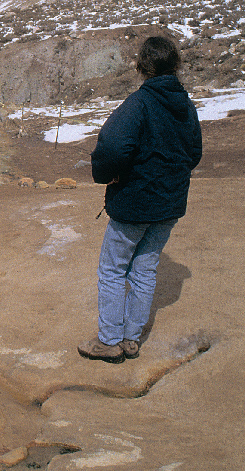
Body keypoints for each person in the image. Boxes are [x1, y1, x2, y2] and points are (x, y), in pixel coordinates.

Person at [78, 34, 202, 363]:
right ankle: (132, 338)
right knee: (145, 270)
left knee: (113, 269)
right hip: (169, 205)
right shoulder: (185, 105)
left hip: (135, 204)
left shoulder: (139, 104)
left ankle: (109, 341)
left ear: (142, 66)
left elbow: (112, 148)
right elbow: (194, 153)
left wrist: (110, 175)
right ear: (176, 65)